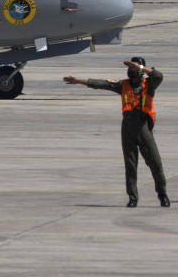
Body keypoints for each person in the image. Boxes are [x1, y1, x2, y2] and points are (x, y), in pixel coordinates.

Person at [65, 57, 170, 208]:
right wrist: (79, 81)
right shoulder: (123, 85)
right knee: (130, 165)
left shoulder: (150, 84)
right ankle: (133, 197)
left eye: (133, 68)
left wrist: (140, 67)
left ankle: (162, 194)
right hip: (127, 127)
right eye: (130, 67)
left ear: (141, 70)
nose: (130, 70)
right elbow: (101, 84)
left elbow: (159, 75)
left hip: (143, 127)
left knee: (155, 163)